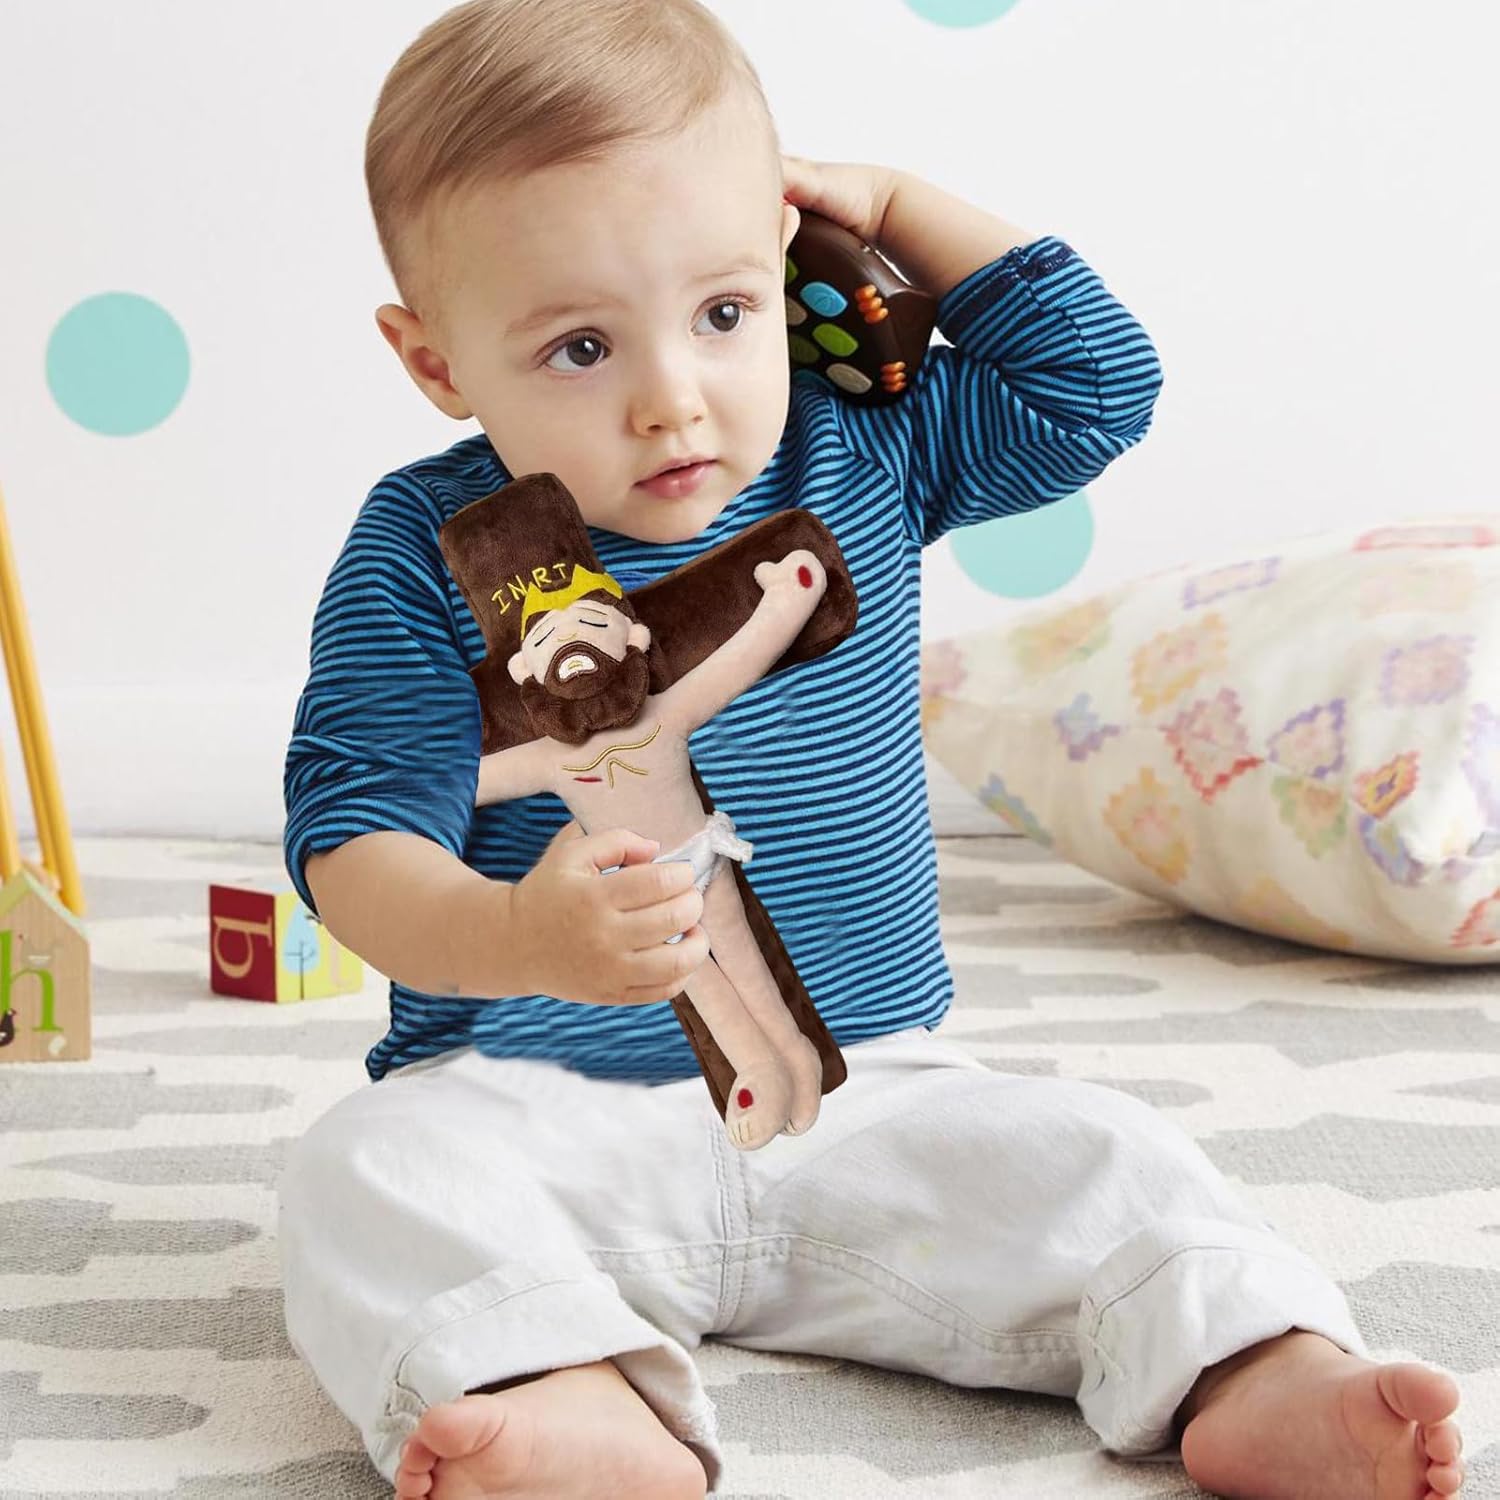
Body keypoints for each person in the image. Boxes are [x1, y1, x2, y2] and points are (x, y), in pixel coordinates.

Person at [278, 2, 1467, 1496]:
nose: (672, 397)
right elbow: (355, 846)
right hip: (534, 1103)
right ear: (435, 360)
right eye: (581, 346)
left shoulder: (862, 448)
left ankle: (1255, 1362)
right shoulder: (423, 548)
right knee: (365, 1171)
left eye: (724, 313)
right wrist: (520, 935)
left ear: (785, 262)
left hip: (867, 1091)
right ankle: (553, 1383)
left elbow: (1094, 386)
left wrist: (898, 206)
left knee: (1104, 1153)